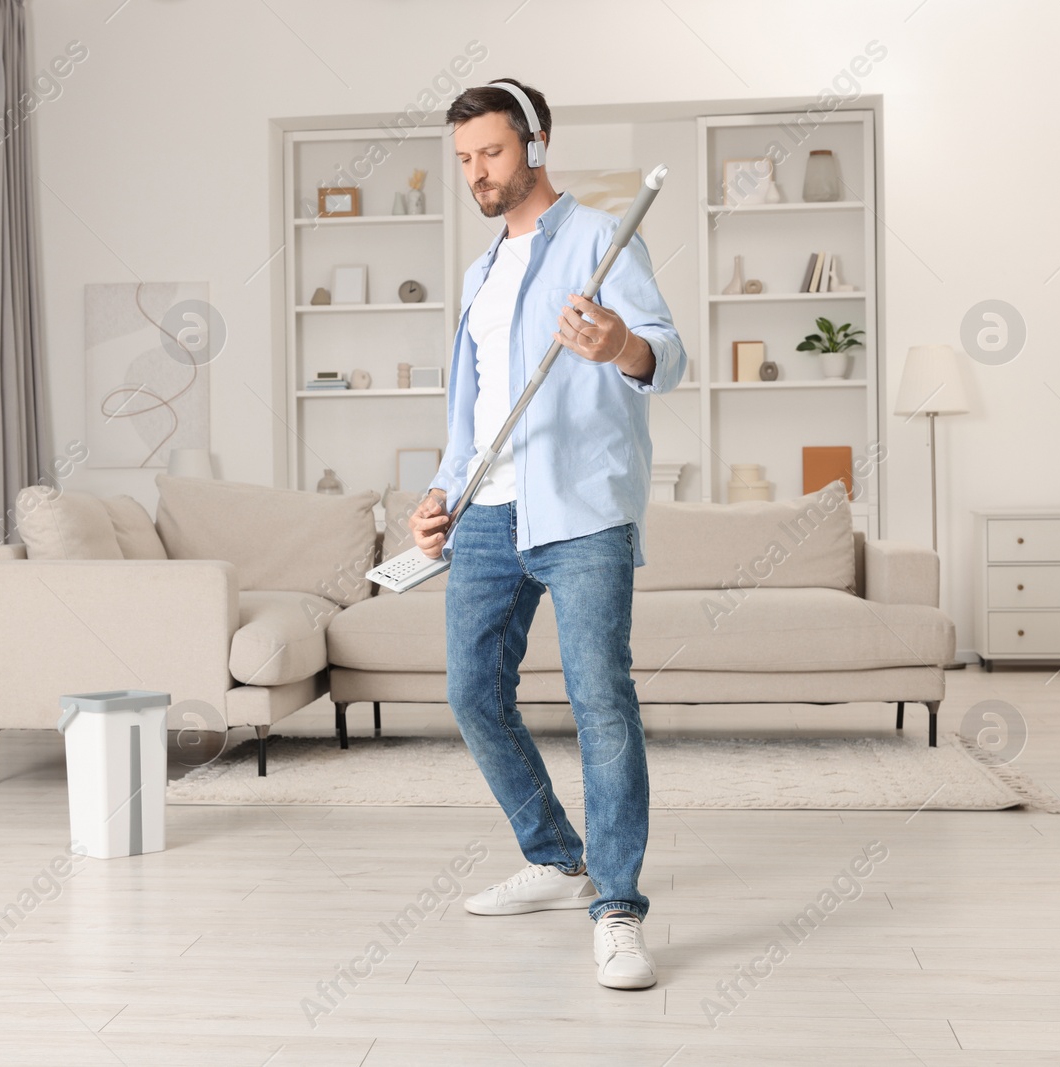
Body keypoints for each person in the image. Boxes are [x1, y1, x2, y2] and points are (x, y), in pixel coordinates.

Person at [410, 78, 687, 990]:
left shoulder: (604, 238)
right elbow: (472, 408)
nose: (477, 173)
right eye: (463, 160)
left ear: (534, 143)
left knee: (600, 702)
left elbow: (666, 352)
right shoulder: (477, 274)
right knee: (471, 692)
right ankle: (557, 856)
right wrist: (442, 491)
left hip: (581, 509)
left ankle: (616, 907)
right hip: (487, 511)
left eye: (490, 152)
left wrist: (619, 346)